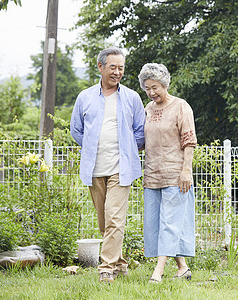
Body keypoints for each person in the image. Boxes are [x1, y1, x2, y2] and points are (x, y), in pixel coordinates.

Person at [70, 46, 145, 283]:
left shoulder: (132, 97)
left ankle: (106, 267)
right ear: (100, 67)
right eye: (113, 67)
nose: (117, 72)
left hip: (121, 169)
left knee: (114, 217)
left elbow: (140, 132)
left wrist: (127, 150)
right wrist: (92, 146)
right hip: (94, 168)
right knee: (105, 221)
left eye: (121, 67)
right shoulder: (85, 97)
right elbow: (76, 129)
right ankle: (120, 262)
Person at [138, 63, 197, 283]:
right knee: (155, 223)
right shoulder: (147, 109)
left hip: (176, 174)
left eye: (155, 87)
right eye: (147, 88)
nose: (152, 93)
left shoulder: (181, 106)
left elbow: (189, 141)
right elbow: (141, 141)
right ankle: (182, 268)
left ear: (165, 84)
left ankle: (158, 271)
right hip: (152, 174)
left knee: (170, 223)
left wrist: (186, 171)